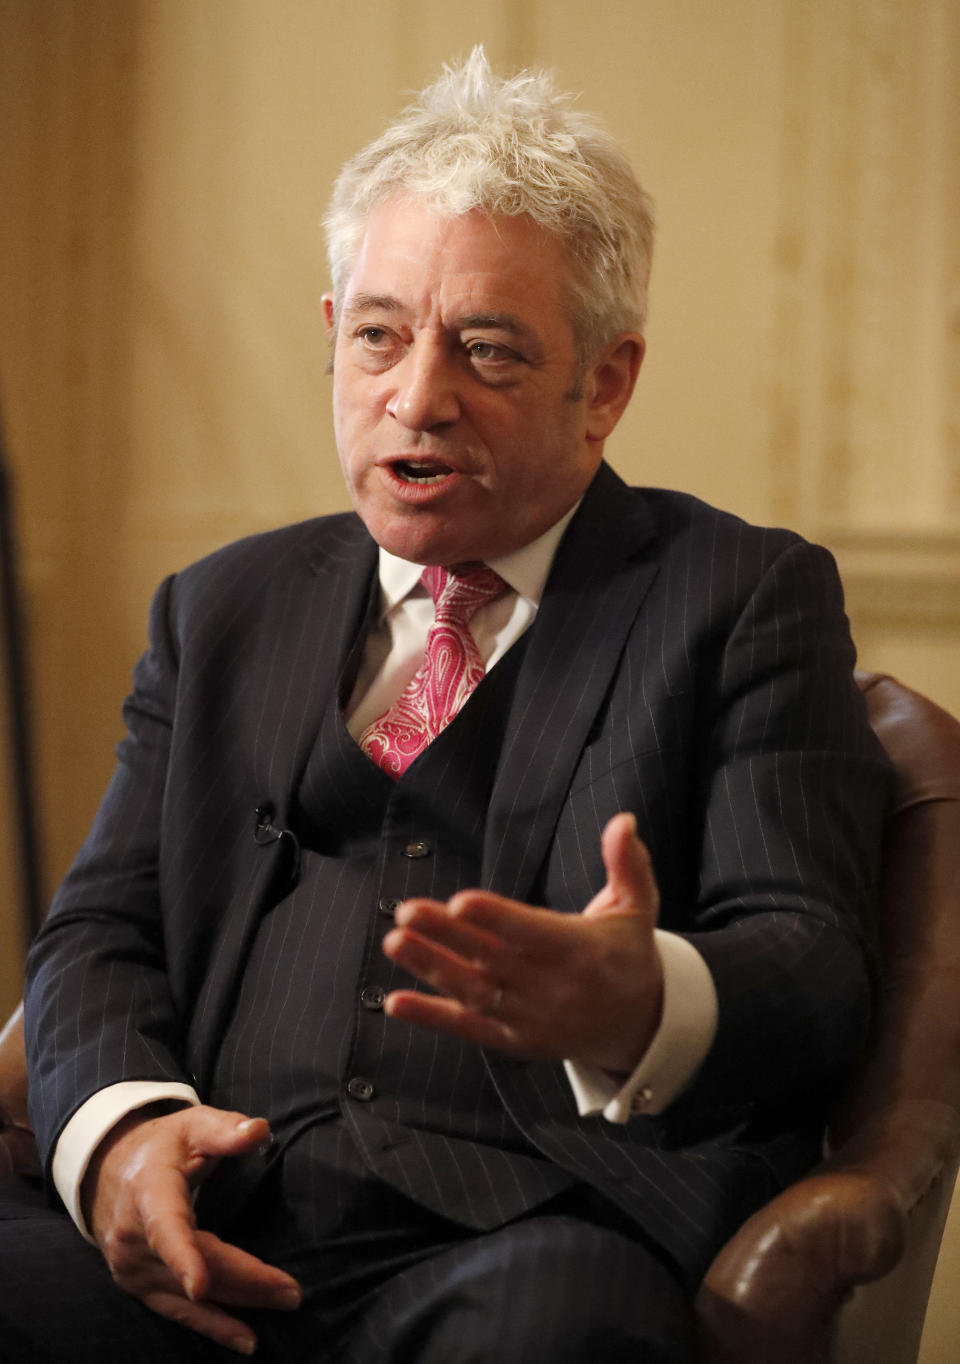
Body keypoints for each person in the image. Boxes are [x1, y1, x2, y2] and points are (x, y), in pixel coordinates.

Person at [7, 48, 889, 1363]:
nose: (415, 397)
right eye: (377, 337)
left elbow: (816, 968)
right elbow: (98, 933)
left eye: (484, 349)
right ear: (332, 340)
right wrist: (121, 1135)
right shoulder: (222, 609)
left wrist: (644, 998)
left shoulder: (738, 597)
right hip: (213, 1215)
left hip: (522, 1239)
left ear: (605, 384)